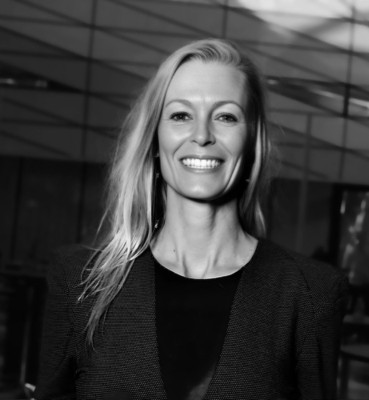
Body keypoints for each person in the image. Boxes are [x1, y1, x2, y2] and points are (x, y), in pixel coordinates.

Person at [35, 38, 348, 400]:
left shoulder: (310, 294)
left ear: (252, 140)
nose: (201, 136)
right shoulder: (80, 282)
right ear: (155, 138)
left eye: (226, 117)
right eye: (181, 115)